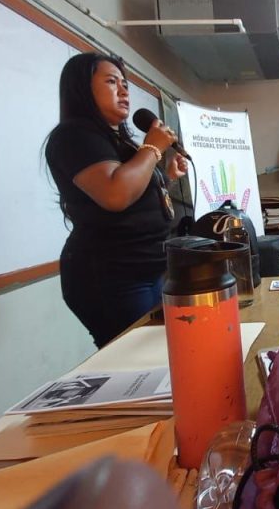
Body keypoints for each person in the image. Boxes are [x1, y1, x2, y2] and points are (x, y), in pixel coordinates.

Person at [45, 53, 189, 347]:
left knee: (157, 353)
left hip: (147, 269)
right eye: (112, 82)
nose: (124, 91)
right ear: (82, 89)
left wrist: (166, 176)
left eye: (125, 84)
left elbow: (136, 193)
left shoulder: (119, 141)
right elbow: (116, 194)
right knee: (136, 359)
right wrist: (153, 148)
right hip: (112, 276)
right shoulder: (73, 136)